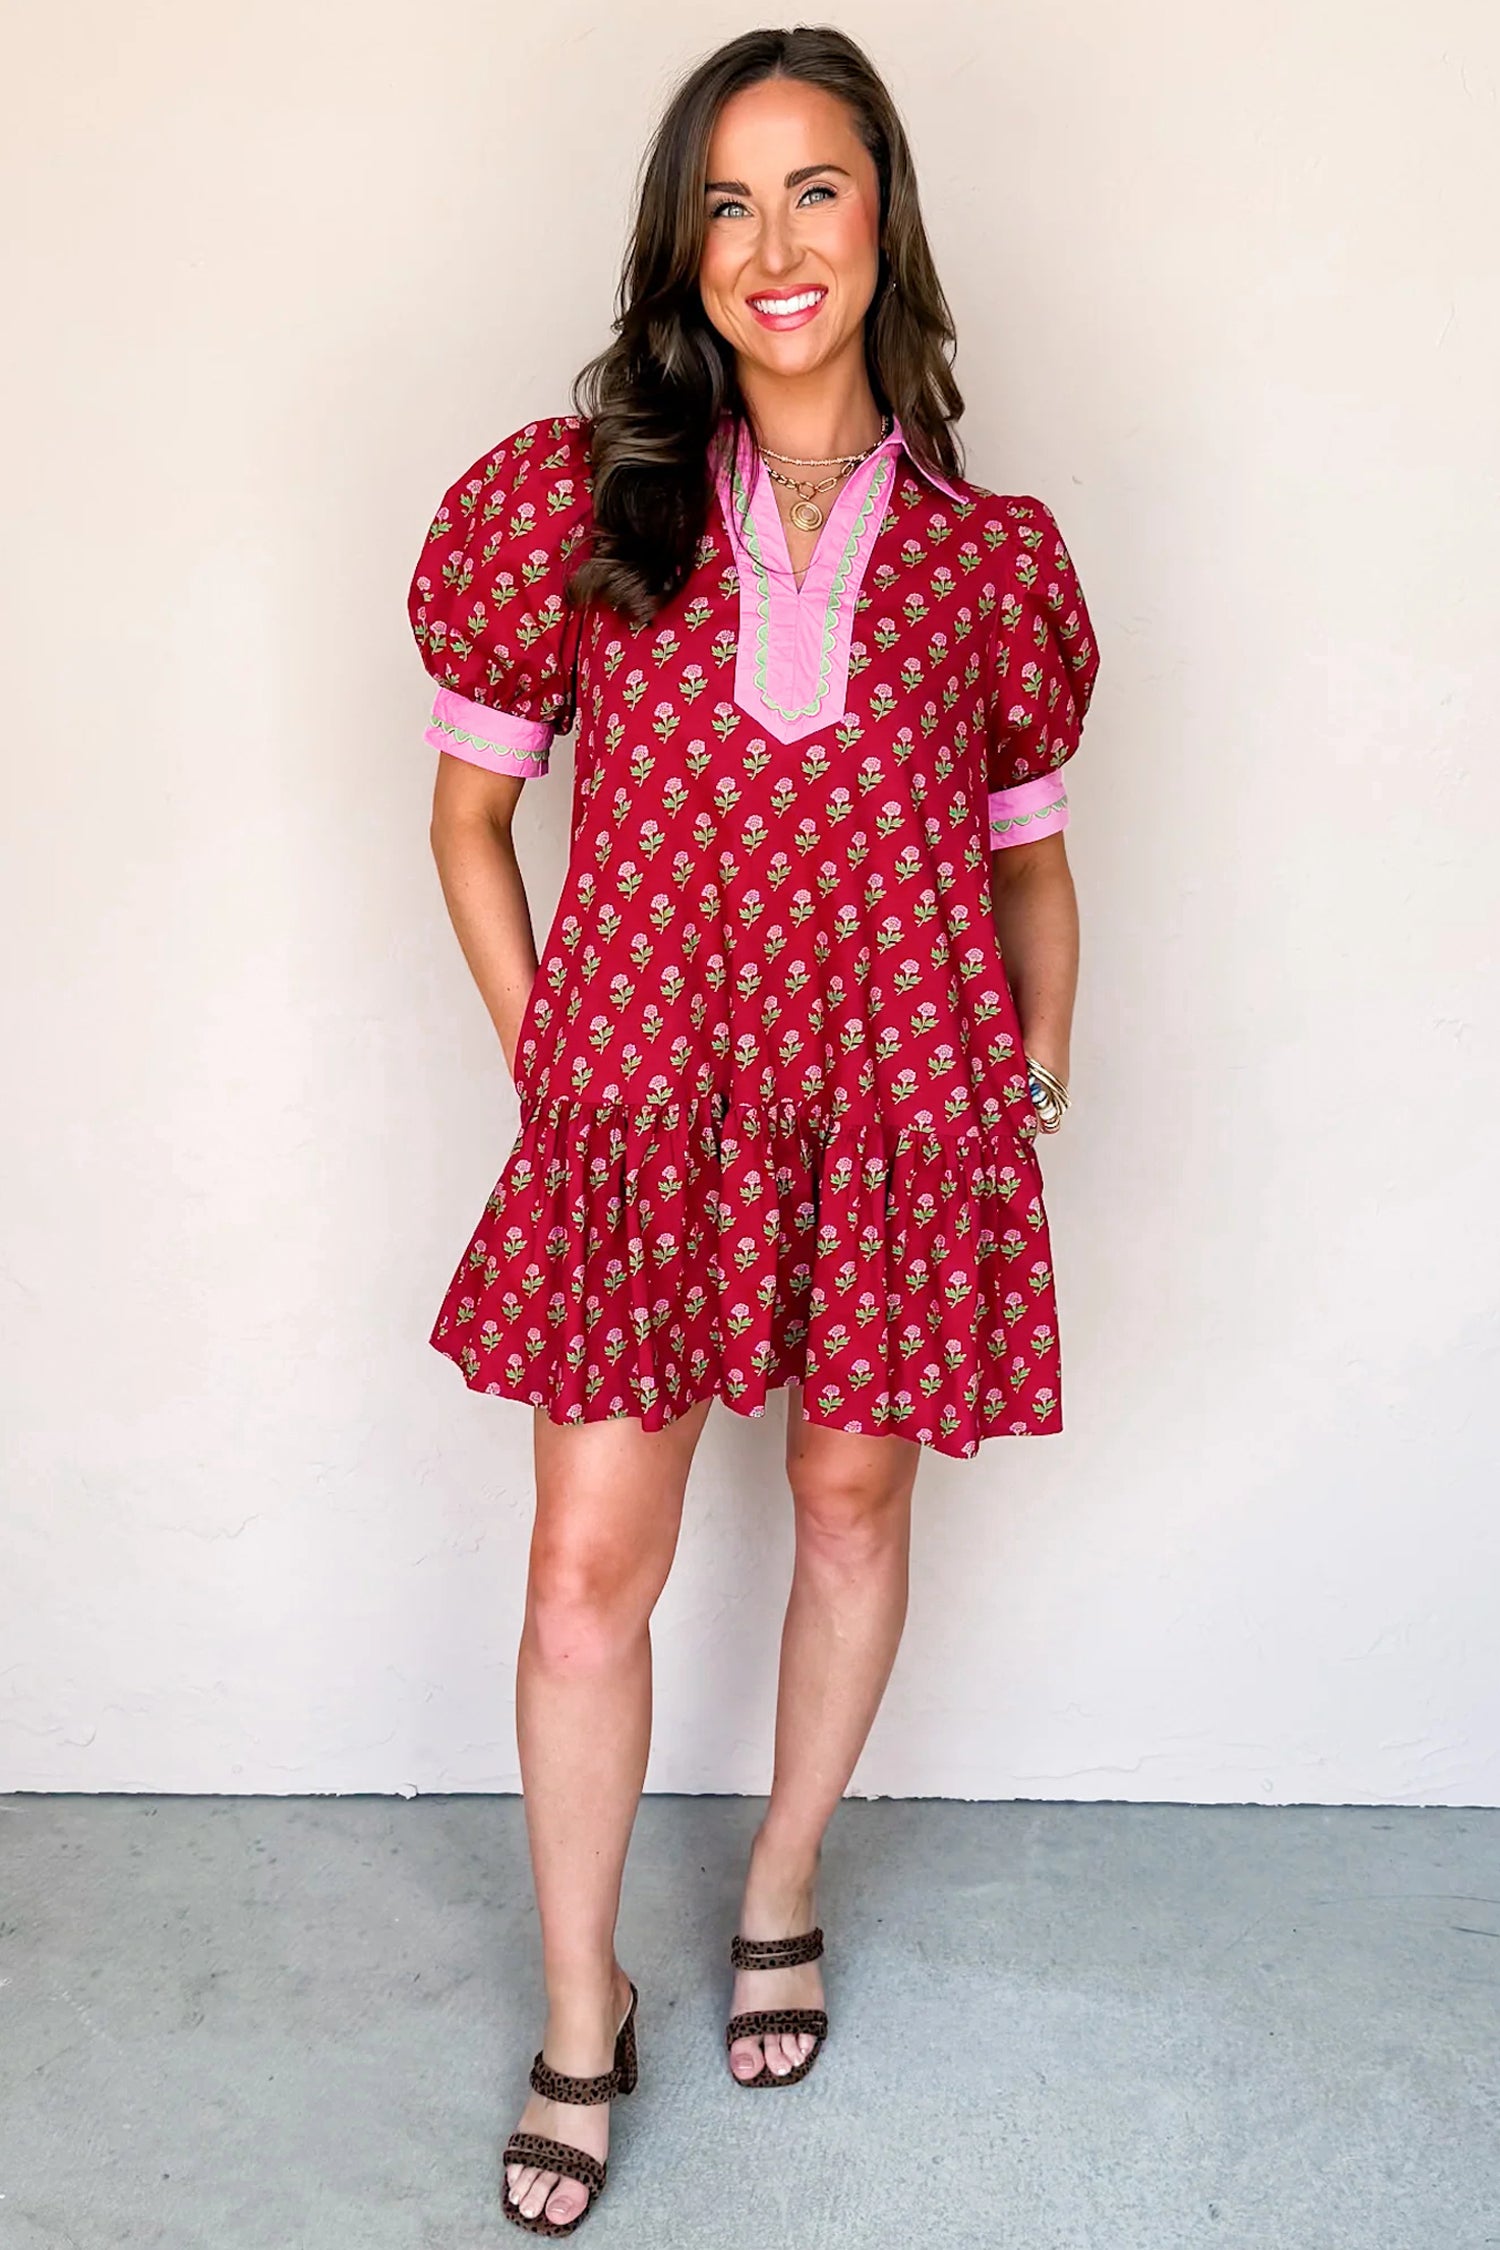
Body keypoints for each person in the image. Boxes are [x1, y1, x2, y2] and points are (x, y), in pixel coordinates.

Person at [406, 24, 1100, 2235]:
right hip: (646, 1123)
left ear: (884, 218)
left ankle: (782, 1876)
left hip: (896, 1124)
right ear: (681, 246)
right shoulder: (581, 502)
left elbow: (1031, 868)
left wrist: (1026, 1083)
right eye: (727, 199)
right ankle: (581, 2003)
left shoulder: (989, 564)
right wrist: (560, 1065)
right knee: (579, 1576)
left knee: (849, 1505)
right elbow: (469, 820)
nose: (772, 242)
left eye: (814, 188)